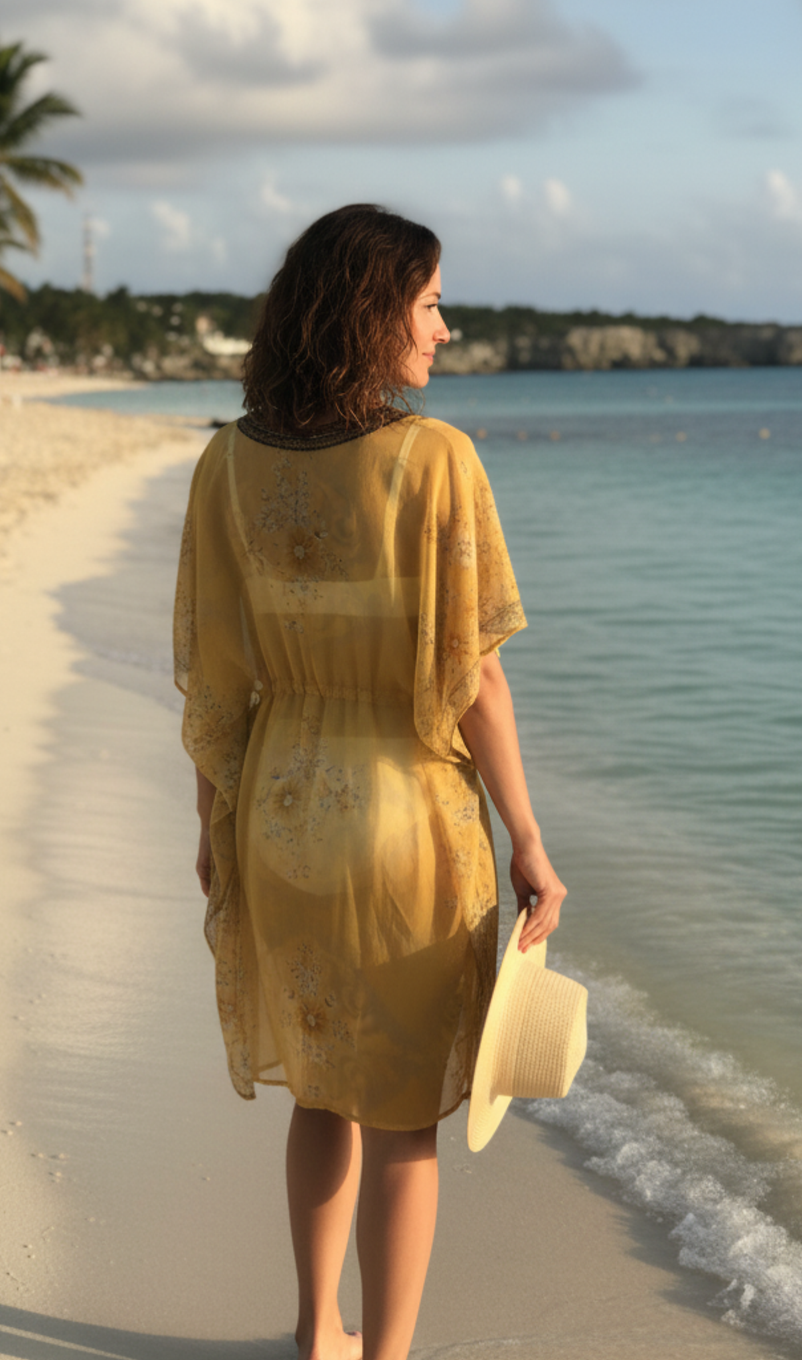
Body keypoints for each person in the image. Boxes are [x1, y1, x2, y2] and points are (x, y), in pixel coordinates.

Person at [174, 204, 566, 1360]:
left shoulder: (226, 462)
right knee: (401, 1120)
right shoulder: (434, 459)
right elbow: (475, 677)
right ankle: (383, 1353)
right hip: (403, 821)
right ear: (370, 310)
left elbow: (215, 679)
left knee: (319, 1090)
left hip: (279, 811)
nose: (444, 329)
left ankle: (319, 1335)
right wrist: (528, 836)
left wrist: (213, 823)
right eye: (430, 303)